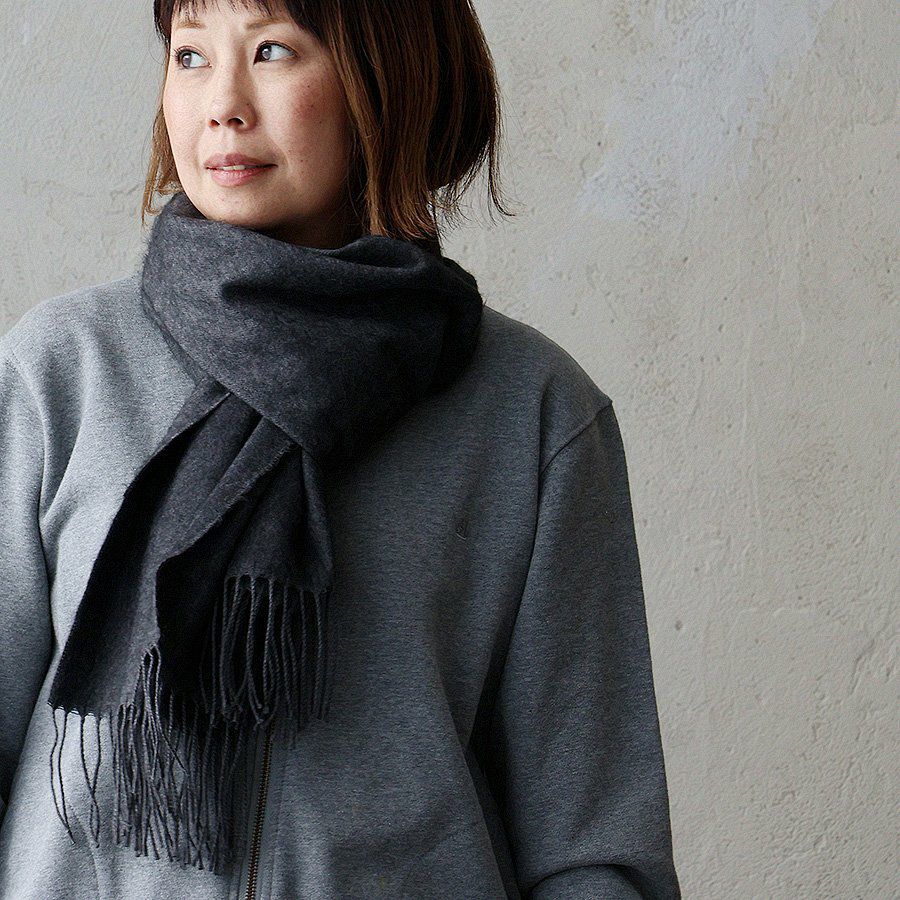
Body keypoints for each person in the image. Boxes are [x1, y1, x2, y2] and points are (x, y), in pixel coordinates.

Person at [0, 0, 680, 897]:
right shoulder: (61, 373)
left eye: (272, 50)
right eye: (190, 55)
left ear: (386, 77)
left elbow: (591, 845)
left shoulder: (532, 412)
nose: (222, 104)